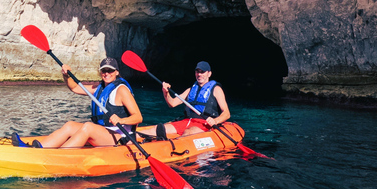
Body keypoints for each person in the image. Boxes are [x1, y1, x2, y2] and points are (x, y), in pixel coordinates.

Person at [12, 57, 142, 148]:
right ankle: (39, 148)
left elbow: (138, 117)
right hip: (104, 132)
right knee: (69, 125)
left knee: (88, 127)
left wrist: (121, 120)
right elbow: (74, 87)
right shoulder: (99, 88)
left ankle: (58, 157)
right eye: (104, 71)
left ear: (116, 72)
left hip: (120, 137)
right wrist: (66, 75)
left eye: (110, 71)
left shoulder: (122, 90)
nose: (107, 73)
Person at [158, 61, 230, 137]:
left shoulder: (216, 89)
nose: (199, 74)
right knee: (159, 128)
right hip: (187, 121)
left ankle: (176, 145)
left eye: (202, 72)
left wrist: (215, 120)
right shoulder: (190, 90)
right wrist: (166, 93)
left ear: (209, 74)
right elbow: (172, 103)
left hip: (204, 124)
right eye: (197, 72)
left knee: (188, 132)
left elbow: (227, 113)